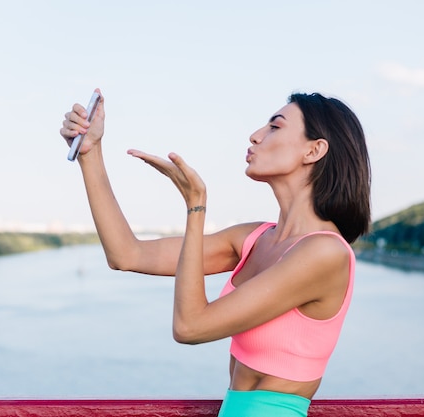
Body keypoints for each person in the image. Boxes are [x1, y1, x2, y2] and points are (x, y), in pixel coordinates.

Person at [59, 88, 371, 417]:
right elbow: (127, 254)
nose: (255, 136)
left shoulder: (324, 253)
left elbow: (190, 327)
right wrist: (90, 154)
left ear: (314, 150)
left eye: (275, 127)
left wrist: (196, 207)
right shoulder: (255, 238)